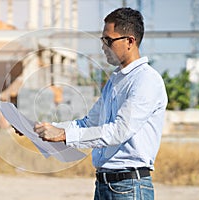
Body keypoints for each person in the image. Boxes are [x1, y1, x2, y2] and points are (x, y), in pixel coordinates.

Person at [33, 7, 168, 200]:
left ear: (130, 41)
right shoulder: (115, 81)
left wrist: (63, 135)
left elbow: (119, 131)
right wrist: (43, 130)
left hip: (129, 187)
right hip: (104, 185)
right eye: (102, 40)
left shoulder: (146, 80)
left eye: (109, 40)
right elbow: (88, 123)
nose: (103, 46)